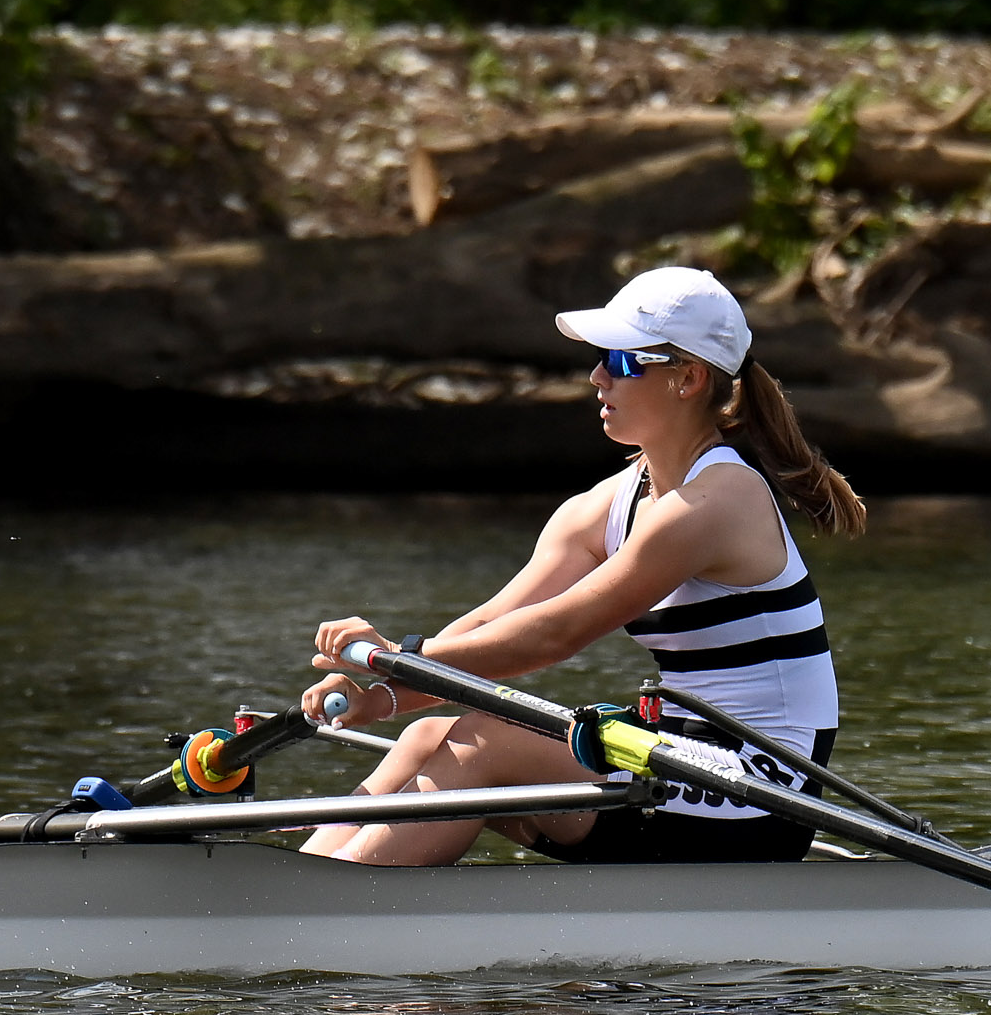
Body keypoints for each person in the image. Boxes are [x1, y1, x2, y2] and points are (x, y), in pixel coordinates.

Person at [299, 266, 866, 866]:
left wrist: (398, 654)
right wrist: (382, 695)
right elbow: (496, 622)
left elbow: (553, 635)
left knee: (488, 739)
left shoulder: (717, 501)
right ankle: (306, 885)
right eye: (599, 358)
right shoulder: (604, 507)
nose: (597, 376)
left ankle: (322, 917)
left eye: (620, 361)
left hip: (762, 792)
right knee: (426, 736)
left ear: (689, 378)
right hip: (675, 758)